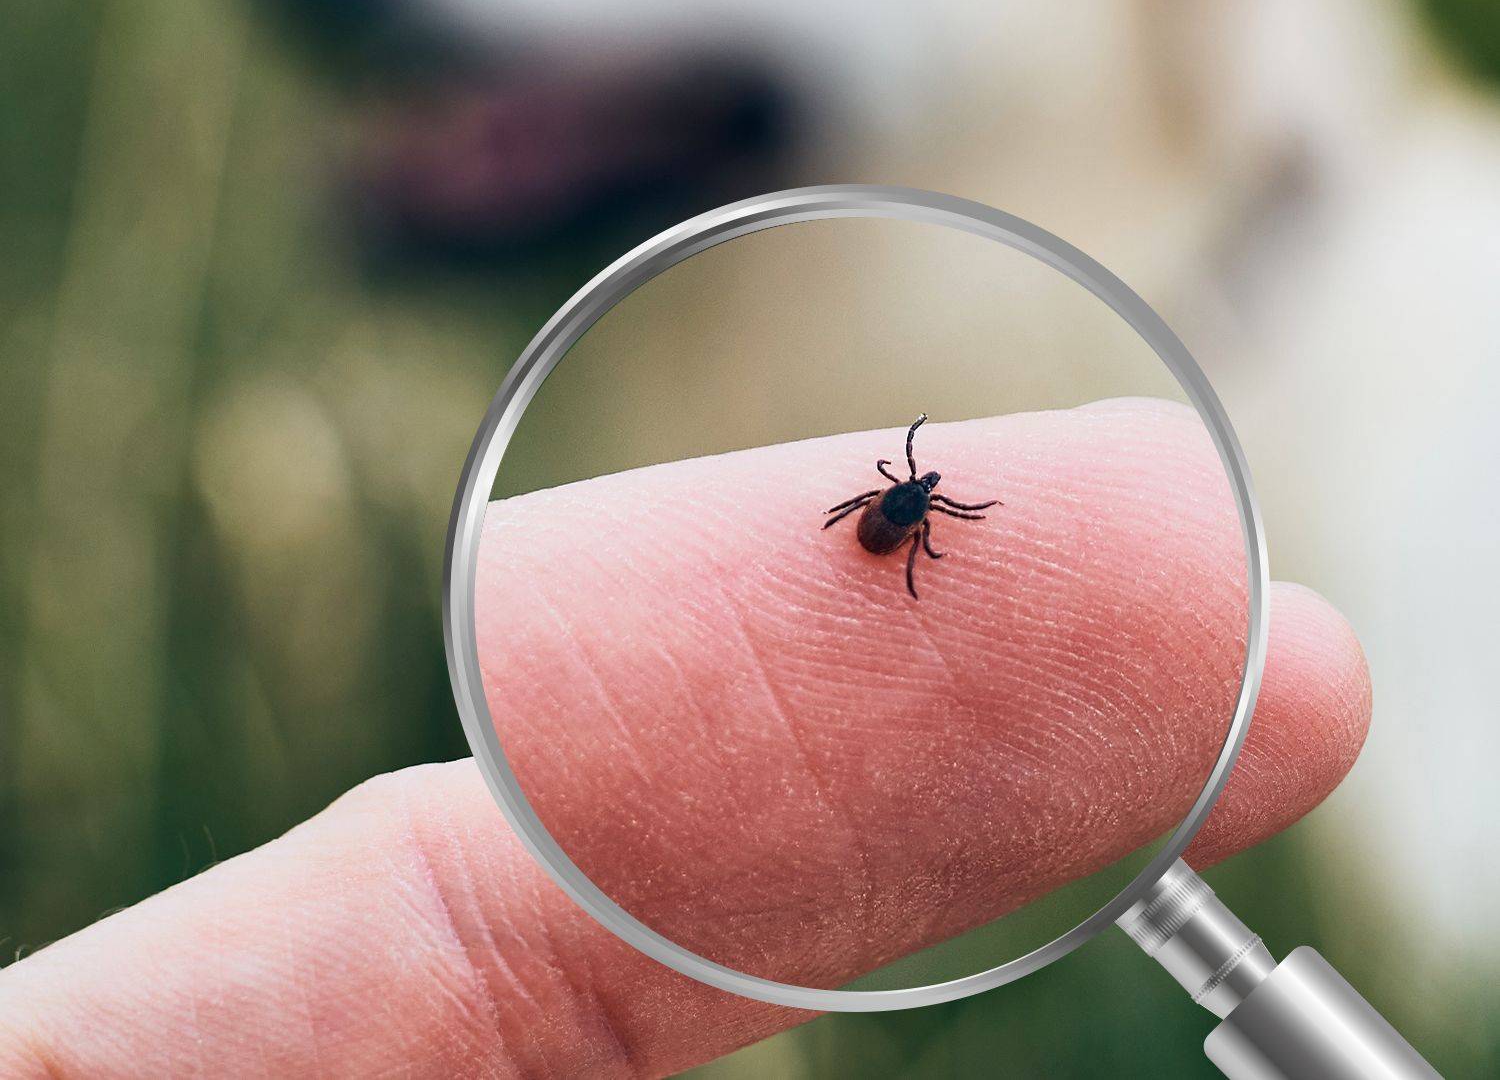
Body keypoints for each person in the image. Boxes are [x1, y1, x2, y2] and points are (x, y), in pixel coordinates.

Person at [0, 402, 1369, 1076]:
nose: (918, 499)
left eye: (919, 496)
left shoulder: (889, 504)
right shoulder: (919, 520)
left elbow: (866, 511)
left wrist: (860, 531)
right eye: (918, 491)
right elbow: (894, 529)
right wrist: (883, 551)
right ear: (914, 493)